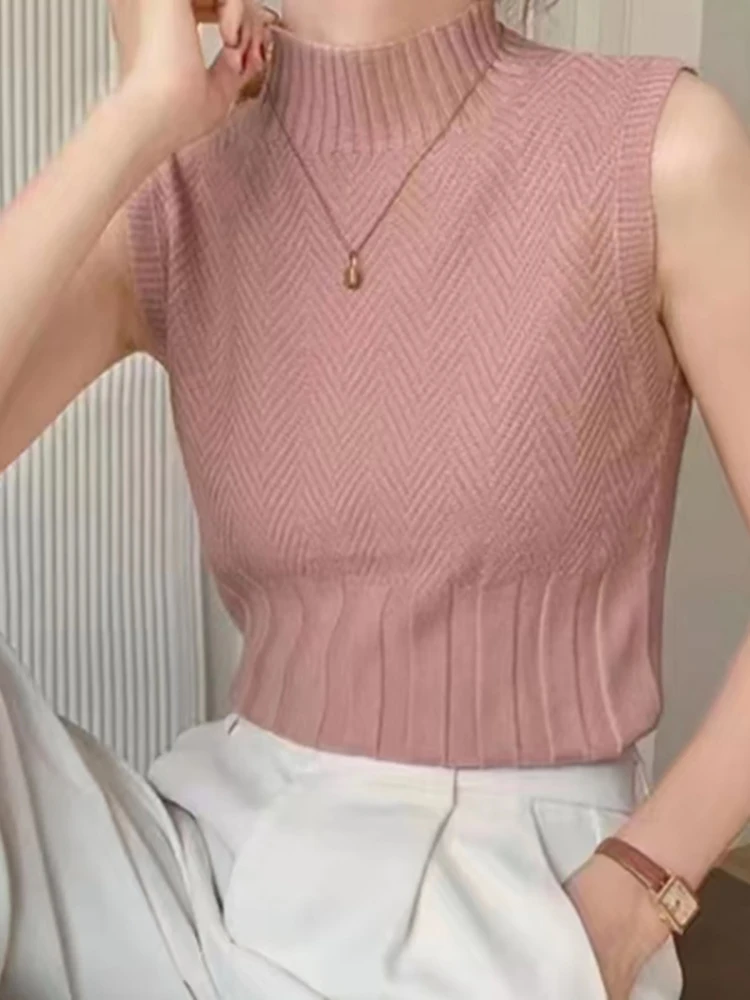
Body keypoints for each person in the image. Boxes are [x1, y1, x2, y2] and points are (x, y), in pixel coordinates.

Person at [1, 0, 750, 997]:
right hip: (202, 866)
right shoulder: (180, 181)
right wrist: (136, 114)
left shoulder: (654, 147)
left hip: (508, 895)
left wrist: (634, 897)